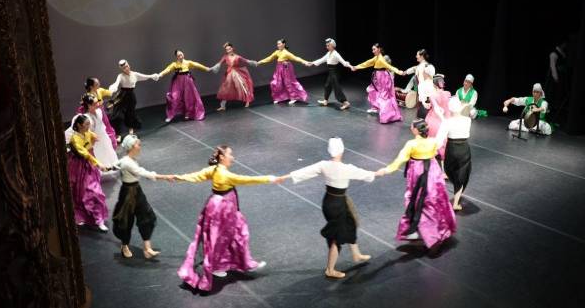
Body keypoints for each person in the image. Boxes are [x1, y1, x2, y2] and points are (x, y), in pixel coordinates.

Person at [175, 146, 285, 291]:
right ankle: (218, 266)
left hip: (226, 207)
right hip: (221, 209)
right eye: (230, 154)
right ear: (222, 157)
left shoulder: (213, 170)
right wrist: (270, 179)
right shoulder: (223, 174)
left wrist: (177, 177)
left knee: (237, 234)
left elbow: (194, 176)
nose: (232, 157)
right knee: (220, 238)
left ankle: (242, 262)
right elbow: (247, 180)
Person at [282, 138, 387, 278]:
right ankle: (330, 270)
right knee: (336, 238)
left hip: (330, 201)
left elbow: (304, 171)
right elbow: (367, 174)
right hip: (338, 204)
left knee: (351, 222)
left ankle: (356, 254)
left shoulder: (324, 165)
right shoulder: (347, 168)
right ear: (342, 150)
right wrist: (381, 172)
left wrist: (285, 176)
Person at [379, 119, 456, 250]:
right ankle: (437, 229)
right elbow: (438, 150)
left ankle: (427, 234)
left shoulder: (411, 144)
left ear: (415, 130)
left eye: (412, 126)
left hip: (419, 173)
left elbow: (400, 159)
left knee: (417, 201)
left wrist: (386, 169)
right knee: (434, 201)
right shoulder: (433, 141)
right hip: (433, 173)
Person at [112, 135, 176, 259]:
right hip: (127, 194)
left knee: (146, 216)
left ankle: (147, 248)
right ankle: (124, 245)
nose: (139, 146)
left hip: (136, 190)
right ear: (131, 147)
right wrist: (165, 177)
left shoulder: (128, 159)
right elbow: (142, 172)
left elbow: (116, 164)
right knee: (126, 221)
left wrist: (109, 167)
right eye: (138, 144)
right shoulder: (127, 162)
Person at [67, 114, 109, 232]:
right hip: (78, 167)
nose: (88, 126)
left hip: (89, 166)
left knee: (95, 192)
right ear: (79, 125)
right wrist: (98, 163)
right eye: (86, 125)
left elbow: (92, 138)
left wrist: (94, 138)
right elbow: (84, 153)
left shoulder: (87, 132)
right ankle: (81, 216)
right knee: (79, 193)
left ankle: (99, 219)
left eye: (89, 124)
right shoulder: (75, 138)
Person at [351, 43, 405, 123]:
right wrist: (356, 67)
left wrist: (399, 72)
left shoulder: (380, 59)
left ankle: (387, 116)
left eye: (374, 49)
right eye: (372, 49)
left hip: (384, 79)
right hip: (378, 79)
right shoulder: (376, 58)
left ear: (379, 49)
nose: (373, 51)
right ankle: (376, 107)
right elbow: (367, 63)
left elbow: (389, 66)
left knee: (384, 96)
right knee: (372, 91)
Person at [436, 97, 472, 211]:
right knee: (462, 174)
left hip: (452, 149)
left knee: (451, 172)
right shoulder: (467, 120)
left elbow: (439, 140)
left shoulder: (447, 122)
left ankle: (452, 198)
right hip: (464, 149)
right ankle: (455, 202)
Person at [157, 49, 211, 122]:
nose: (180, 56)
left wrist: (206, 68)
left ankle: (188, 114)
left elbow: (197, 65)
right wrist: (160, 74)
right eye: (178, 55)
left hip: (187, 81)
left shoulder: (188, 62)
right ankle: (170, 115)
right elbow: (168, 69)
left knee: (188, 98)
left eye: (181, 54)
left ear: (183, 54)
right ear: (176, 57)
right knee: (174, 97)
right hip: (178, 82)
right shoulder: (174, 64)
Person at [108, 60, 158, 137]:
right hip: (122, 96)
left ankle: (131, 129)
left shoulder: (135, 74)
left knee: (130, 113)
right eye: (124, 68)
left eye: (127, 66)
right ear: (121, 69)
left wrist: (152, 76)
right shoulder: (120, 76)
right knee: (117, 115)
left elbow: (145, 76)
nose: (126, 68)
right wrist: (113, 87)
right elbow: (116, 83)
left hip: (131, 96)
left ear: (129, 65)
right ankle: (118, 134)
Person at [257, 38, 309, 105]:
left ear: (283, 44)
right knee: (276, 83)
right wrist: (259, 62)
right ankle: (278, 97)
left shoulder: (286, 53)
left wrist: (304, 62)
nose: (278, 45)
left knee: (288, 83)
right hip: (279, 69)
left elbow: (296, 58)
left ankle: (294, 97)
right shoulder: (277, 52)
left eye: (279, 44)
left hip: (286, 69)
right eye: (277, 44)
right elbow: (269, 58)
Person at [306, 38, 352, 110]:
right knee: (327, 85)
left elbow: (344, 62)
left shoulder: (336, 54)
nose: (327, 47)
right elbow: (321, 60)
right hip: (331, 72)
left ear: (332, 45)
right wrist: (312, 63)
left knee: (337, 88)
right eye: (326, 45)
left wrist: (350, 66)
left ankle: (346, 103)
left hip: (334, 72)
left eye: (328, 45)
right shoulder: (329, 53)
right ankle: (325, 101)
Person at [212, 42, 256, 111]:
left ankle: (248, 100)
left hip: (237, 74)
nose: (228, 50)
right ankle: (223, 106)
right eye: (227, 49)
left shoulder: (238, 57)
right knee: (226, 89)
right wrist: (214, 68)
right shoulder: (225, 57)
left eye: (229, 49)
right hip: (229, 74)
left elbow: (246, 61)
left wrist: (254, 63)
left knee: (242, 86)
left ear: (232, 48)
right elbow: (219, 63)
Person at [80, 77, 117, 148]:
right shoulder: (87, 97)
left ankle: (111, 142)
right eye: (97, 84)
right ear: (91, 86)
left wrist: (113, 88)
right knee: (95, 127)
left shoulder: (100, 90)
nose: (99, 84)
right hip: (93, 113)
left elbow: (109, 92)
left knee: (106, 125)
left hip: (101, 111)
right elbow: (84, 107)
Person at [425, 74, 451, 162]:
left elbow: (436, 108)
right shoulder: (448, 93)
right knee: (443, 139)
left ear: (434, 84)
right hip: (446, 119)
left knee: (432, 137)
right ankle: (442, 155)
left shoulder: (433, 95)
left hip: (435, 119)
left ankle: (431, 153)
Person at [404, 49, 435, 119]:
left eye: (417, 55)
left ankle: (424, 124)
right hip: (422, 91)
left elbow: (431, 78)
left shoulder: (427, 66)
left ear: (421, 56)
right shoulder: (420, 66)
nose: (416, 56)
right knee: (421, 111)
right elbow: (413, 69)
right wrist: (404, 72)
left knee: (424, 111)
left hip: (426, 92)